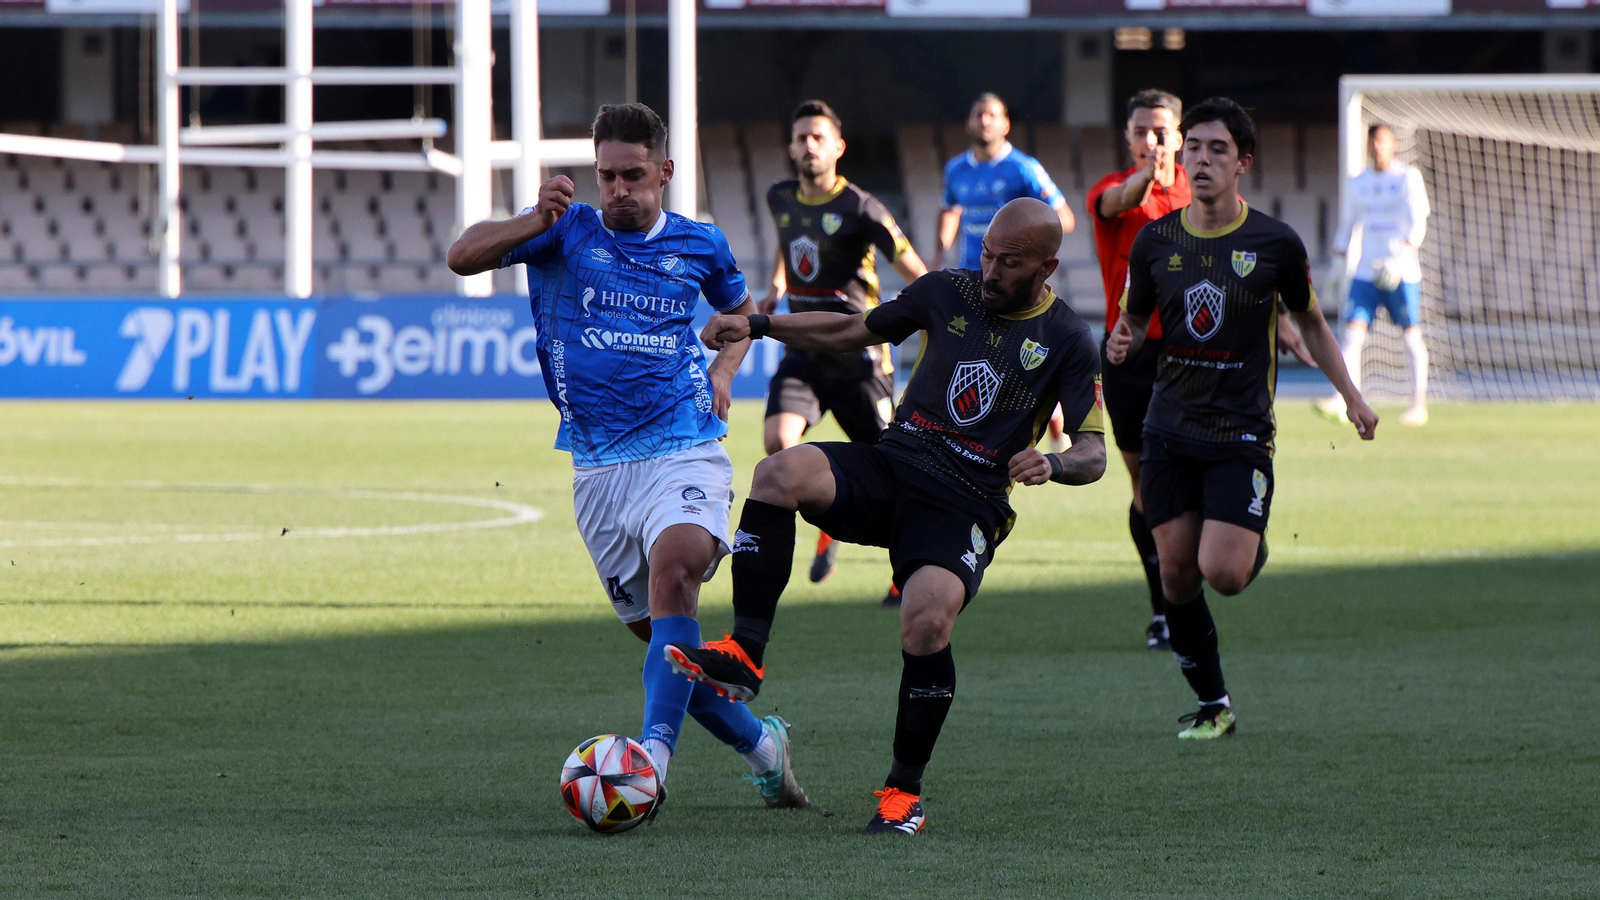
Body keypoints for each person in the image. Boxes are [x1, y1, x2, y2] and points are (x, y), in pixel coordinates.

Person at [667, 198, 1108, 835]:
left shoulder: (1068, 339)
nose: (990, 272)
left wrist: (1054, 464)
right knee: (777, 472)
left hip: (967, 501)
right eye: (986, 256)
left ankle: (903, 794)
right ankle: (746, 650)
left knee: (925, 620)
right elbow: (854, 330)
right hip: (894, 464)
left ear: (1047, 266)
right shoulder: (945, 292)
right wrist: (760, 325)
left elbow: (1093, 452)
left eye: (1009, 264)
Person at [445, 102, 808, 817]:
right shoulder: (564, 231)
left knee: (676, 576)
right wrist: (532, 220)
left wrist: (726, 374)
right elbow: (462, 256)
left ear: (664, 172)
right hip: (599, 472)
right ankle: (764, 748)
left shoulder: (702, 243)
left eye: (633, 175)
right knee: (666, 653)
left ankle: (651, 770)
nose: (617, 189)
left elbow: (738, 319)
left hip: (685, 448)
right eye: (606, 176)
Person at [1106, 98, 1378, 741]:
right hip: (1167, 427)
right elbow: (1133, 318)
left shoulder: (1274, 243)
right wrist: (1122, 341)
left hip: (1241, 433)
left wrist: (1353, 396)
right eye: (1194, 146)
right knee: (1174, 572)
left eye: (1217, 149)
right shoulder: (1156, 240)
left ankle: (1247, 538)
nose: (1201, 158)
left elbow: (1311, 320)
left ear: (1243, 164)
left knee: (1223, 574)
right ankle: (1213, 704)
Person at [1089, 89, 1314, 652]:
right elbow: (1119, 201)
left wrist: (1280, 315)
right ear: (1128, 136)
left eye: (1162, 132)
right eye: (1142, 132)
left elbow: (1243, 264)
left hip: (1196, 360)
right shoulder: (1115, 191)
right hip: (1131, 355)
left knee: (1195, 484)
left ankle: (1220, 551)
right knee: (1145, 491)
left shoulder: (1203, 191)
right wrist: (1151, 171)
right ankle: (1163, 604)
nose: (1152, 142)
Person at [759, 100, 928, 592]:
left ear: (838, 147)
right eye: (800, 138)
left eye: (818, 137)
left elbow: (910, 265)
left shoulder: (861, 206)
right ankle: (824, 520)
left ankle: (907, 570)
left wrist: (939, 311)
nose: (808, 146)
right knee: (777, 444)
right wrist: (774, 285)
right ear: (791, 147)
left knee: (891, 467)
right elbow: (786, 241)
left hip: (859, 353)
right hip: (804, 347)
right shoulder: (779, 197)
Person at [934, 92, 1076, 456]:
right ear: (968, 122)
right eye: (978, 113)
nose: (984, 120)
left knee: (1018, 362)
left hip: (1015, 286)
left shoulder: (1022, 168)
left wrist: (1026, 252)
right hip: (972, 281)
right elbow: (950, 210)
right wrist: (939, 255)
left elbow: (1064, 217)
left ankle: (1053, 414)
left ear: (1005, 124)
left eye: (992, 115)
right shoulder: (956, 170)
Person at [1318, 123, 1433, 427]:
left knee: (1411, 335)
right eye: (1374, 142)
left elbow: (1418, 223)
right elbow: (1348, 224)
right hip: (1367, 272)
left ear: (1393, 144)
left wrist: (1400, 259)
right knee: (1352, 336)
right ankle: (1342, 399)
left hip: (1402, 273)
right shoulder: (1358, 183)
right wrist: (1338, 264)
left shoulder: (1407, 178)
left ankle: (1418, 404)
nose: (1378, 147)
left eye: (1383, 141)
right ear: (1368, 145)